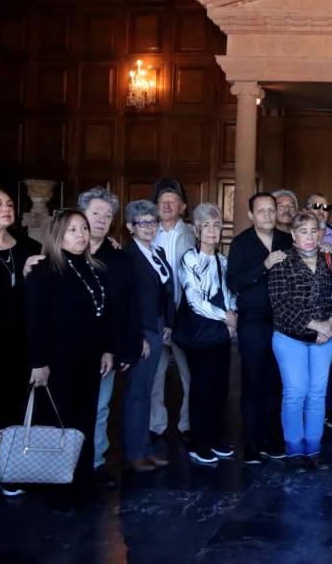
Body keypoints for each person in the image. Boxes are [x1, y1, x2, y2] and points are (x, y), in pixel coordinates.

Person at [24, 209, 114, 504]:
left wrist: (106, 350)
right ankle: (59, 488)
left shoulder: (94, 268)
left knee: (84, 421)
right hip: (58, 361)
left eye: (84, 229)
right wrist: (39, 361)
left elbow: (101, 315)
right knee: (59, 422)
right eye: (73, 230)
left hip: (88, 359)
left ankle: (82, 481)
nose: (81, 235)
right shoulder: (44, 271)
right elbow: (34, 320)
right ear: (57, 235)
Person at [77, 187, 139, 488]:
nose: (101, 219)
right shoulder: (63, 253)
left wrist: (124, 348)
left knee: (101, 407)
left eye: (107, 214)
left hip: (106, 349)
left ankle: (97, 462)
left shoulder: (119, 258)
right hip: (69, 348)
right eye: (95, 213)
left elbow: (129, 307)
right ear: (82, 216)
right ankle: (66, 463)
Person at [267, 212, 332, 471]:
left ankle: (313, 449)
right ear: (294, 236)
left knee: (317, 395)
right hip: (290, 338)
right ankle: (294, 451)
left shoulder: (328, 260)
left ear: (320, 234)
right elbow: (281, 305)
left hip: (324, 339)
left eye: (313, 231)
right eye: (303, 231)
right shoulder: (281, 263)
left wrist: (329, 324)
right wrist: (315, 325)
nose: (309, 236)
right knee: (296, 393)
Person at [226, 192, 292, 464]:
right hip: (253, 323)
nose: (267, 215)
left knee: (277, 383)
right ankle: (252, 444)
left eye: (271, 210)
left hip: (283, 322)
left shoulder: (287, 240)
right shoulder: (241, 243)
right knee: (253, 384)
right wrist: (263, 266)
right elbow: (234, 282)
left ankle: (273, 439)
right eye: (261, 211)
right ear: (251, 215)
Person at [178, 203, 237, 465]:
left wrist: (232, 316)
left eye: (216, 225)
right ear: (196, 229)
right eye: (206, 225)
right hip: (199, 334)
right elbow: (194, 300)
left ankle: (214, 438)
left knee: (219, 387)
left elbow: (229, 294)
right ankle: (199, 443)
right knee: (201, 388)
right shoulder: (189, 258)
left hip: (220, 334)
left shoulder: (223, 260)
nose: (212, 230)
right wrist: (226, 317)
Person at [123, 200, 175, 473]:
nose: (149, 227)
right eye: (142, 223)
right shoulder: (128, 256)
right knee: (137, 393)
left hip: (157, 327)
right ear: (131, 227)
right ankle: (135, 452)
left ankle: (144, 447)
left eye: (152, 222)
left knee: (147, 392)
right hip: (140, 330)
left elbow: (166, 291)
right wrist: (136, 336)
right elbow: (127, 301)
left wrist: (167, 323)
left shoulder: (158, 252)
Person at [0, 186, 41, 497]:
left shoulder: (28, 246)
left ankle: (9, 471)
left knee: (15, 408)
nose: (6, 208)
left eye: (9, 203)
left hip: (20, 344)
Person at [150, 178, 195, 442]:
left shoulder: (192, 233)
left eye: (172, 202)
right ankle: (156, 424)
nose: (166, 205)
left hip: (183, 311)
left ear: (182, 207)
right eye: (162, 202)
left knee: (188, 373)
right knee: (154, 375)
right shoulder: (146, 232)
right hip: (156, 315)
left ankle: (187, 423)